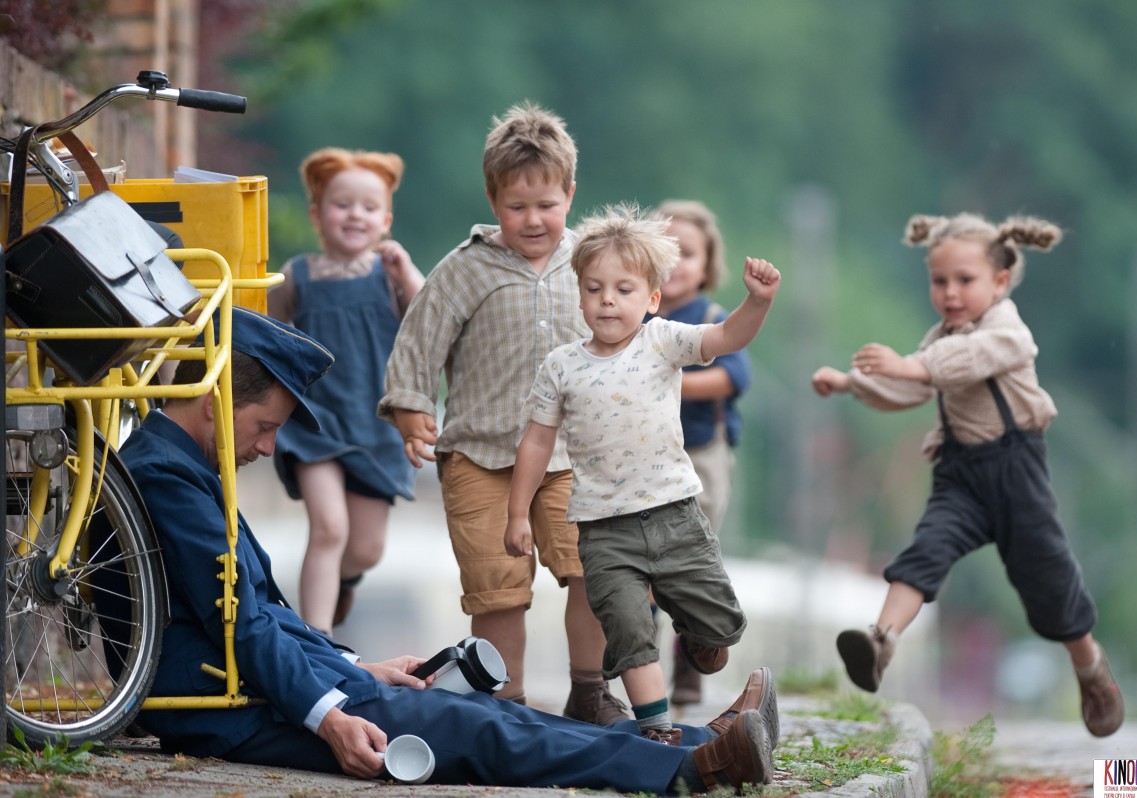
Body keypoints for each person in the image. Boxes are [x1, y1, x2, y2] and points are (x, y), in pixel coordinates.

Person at [121, 306, 778, 794]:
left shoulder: (181, 464)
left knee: (480, 717)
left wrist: (356, 665)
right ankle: (689, 769)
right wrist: (327, 716)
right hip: (238, 709)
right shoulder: (167, 475)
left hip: (269, 687)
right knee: (483, 731)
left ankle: (699, 742)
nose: (266, 448)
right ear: (214, 404)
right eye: (264, 427)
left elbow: (254, 611)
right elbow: (240, 619)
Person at [810, 212, 1124, 738]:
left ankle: (1090, 667)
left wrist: (913, 365)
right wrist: (851, 383)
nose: (950, 293)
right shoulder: (940, 338)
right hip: (960, 476)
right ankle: (880, 641)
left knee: (1048, 579)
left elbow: (972, 359)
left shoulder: (1007, 329)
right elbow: (913, 388)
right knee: (922, 553)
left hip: (1017, 471)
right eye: (939, 281)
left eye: (965, 280)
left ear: (1000, 282)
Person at [378, 102, 624, 724]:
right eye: (517, 207)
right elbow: (419, 339)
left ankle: (590, 692)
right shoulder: (466, 269)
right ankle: (505, 705)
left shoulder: (593, 265)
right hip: (480, 458)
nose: (533, 219)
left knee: (593, 572)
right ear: (493, 200)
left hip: (574, 456)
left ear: (570, 194)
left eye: (546, 204)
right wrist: (411, 410)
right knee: (497, 589)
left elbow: (630, 340)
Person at [505, 204, 782, 744]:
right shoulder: (561, 366)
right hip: (604, 530)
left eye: (624, 289)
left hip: (675, 515)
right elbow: (537, 441)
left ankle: (702, 636)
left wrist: (759, 300)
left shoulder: (664, 341)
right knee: (630, 632)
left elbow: (728, 338)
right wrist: (519, 513)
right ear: (579, 294)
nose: (608, 300)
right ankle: (657, 732)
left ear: (652, 299)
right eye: (594, 288)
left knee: (721, 631)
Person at [267, 147, 426, 634]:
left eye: (368, 207)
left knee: (365, 548)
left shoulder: (389, 274)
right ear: (317, 214)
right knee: (330, 528)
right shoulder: (299, 275)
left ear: (386, 220)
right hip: (314, 421)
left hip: (376, 424)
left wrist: (406, 273)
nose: (355, 214)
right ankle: (319, 641)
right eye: (342, 204)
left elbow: (430, 318)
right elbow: (266, 331)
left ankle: (345, 580)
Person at [651, 199, 752, 707]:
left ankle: (690, 665)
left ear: (708, 265)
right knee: (639, 567)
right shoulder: (631, 310)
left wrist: (672, 385)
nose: (674, 263)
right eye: (664, 250)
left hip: (701, 456)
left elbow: (735, 376)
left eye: (686, 253)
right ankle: (638, 671)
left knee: (689, 566)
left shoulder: (713, 319)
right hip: (641, 456)